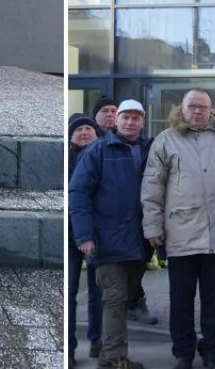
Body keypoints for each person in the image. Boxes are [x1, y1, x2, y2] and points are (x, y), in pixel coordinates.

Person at [142, 88, 215, 369]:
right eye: (192, 106)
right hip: (180, 232)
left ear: (212, 110)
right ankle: (183, 353)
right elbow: (152, 186)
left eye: (203, 107)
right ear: (181, 109)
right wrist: (152, 226)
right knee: (181, 300)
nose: (197, 111)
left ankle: (212, 351)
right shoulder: (166, 140)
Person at [69, 98, 152, 369]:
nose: (130, 122)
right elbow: (78, 193)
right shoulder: (98, 150)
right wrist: (84, 236)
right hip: (107, 240)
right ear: (116, 121)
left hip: (139, 240)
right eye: (125, 117)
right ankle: (114, 359)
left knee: (123, 299)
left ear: (143, 121)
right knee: (114, 299)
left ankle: (109, 354)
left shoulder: (150, 149)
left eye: (135, 118)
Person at [68, 112, 103, 366]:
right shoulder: (65, 159)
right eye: (78, 129)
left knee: (97, 292)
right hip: (70, 236)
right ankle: (69, 347)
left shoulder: (103, 156)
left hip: (97, 234)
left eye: (88, 129)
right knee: (69, 292)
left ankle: (98, 342)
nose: (83, 132)